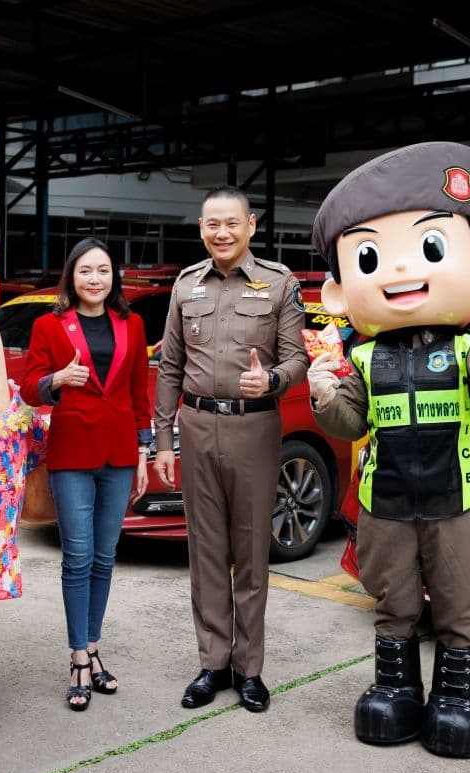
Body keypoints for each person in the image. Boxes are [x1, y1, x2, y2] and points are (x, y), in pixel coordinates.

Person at [307, 141, 470, 758]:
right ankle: (396, 688)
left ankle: (457, 697)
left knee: (458, 597)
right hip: (386, 500)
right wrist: (324, 393)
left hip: (456, 497)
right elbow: (349, 422)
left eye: (429, 247)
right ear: (339, 292)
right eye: (370, 258)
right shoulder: (363, 357)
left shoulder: (465, 347)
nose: (399, 271)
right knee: (392, 599)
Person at [153, 186, 309, 713]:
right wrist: (163, 440)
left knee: (251, 552)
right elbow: (170, 367)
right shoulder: (186, 286)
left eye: (232, 223)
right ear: (201, 228)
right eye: (212, 224)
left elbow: (297, 360)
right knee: (205, 553)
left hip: (254, 430)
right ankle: (213, 664)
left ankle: (249, 669)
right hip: (197, 427)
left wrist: (272, 380)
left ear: (251, 225)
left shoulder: (280, 283)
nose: (222, 233)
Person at [21, 237, 152, 711]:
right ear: (71, 277)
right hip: (72, 452)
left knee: (104, 556)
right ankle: (78, 656)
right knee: (77, 557)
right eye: (85, 271)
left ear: (113, 277)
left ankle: (93, 648)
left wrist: (143, 451)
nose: (94, 279)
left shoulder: (132, 324)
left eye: (102, 271)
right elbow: (29, 389)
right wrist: (57, 380)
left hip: (119, 453)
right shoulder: (49, 325)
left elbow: (138, 392)